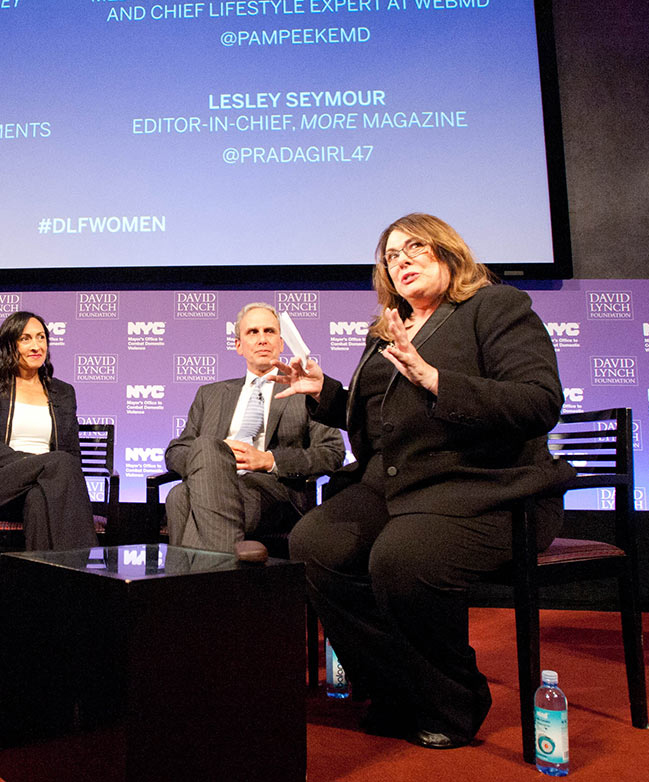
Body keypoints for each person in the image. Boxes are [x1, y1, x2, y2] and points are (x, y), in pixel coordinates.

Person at [274, 213, 574, 749]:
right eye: (391, 256)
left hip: (486, 487)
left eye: (415, 248)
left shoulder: (494, 308)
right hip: (394, 487)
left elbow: (539, 401)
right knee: (313, 544)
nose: (402, 260)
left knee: (402, 558)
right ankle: (395, 688)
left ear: (446, 252)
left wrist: (437, 380)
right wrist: (323, 392)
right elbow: (378, 419)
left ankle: (453, 700)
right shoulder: (386, 329)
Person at [163, 302, 344, 552]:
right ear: (239, 346)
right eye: (252, 332)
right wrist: (211, 460)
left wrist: (269, 459)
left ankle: (190, 584)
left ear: (281, 343)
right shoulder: (210, 394)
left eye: (269, 331)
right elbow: (177, 450)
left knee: (181, 497)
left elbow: (332, 452)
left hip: (275, 492)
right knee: (200, 458)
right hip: (216, 483)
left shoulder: (303, 389)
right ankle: (219, 579)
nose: (262, 339)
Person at [0, 311, 98, 550]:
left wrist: (46, 469)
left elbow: (71, 452)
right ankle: (89, 574)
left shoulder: (63, 392)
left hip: (45, 487)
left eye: (41, 338)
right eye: (26, 339)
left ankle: (39, 584)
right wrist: (40, 464)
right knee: (59, 462)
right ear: (10, 345)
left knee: (39, 499)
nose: (36, 346)